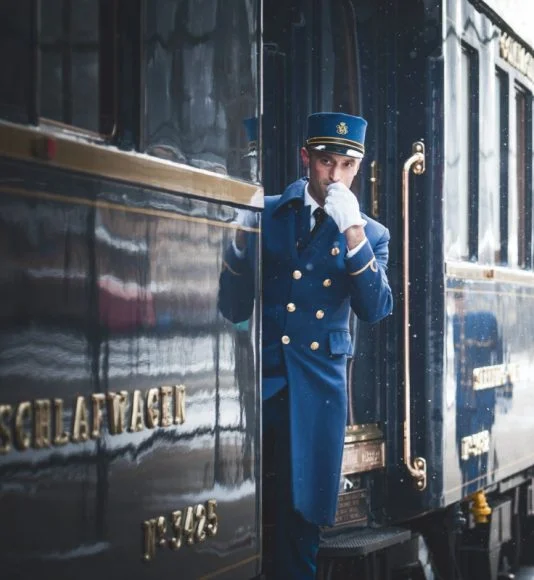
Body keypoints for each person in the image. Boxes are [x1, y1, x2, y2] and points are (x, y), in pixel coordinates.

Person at [219, 112, 393, 579]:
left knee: (301, 525)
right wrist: (236, 245)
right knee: (244, 515)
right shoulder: (268, 213)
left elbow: (376, 309)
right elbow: (233, 307)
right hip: (260, 388)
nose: (334, 176)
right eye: (324, 162)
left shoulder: (371, 235)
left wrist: (353, 231)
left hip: (317, 392)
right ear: (306, 158)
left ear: (357, 168)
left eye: (345, 165)